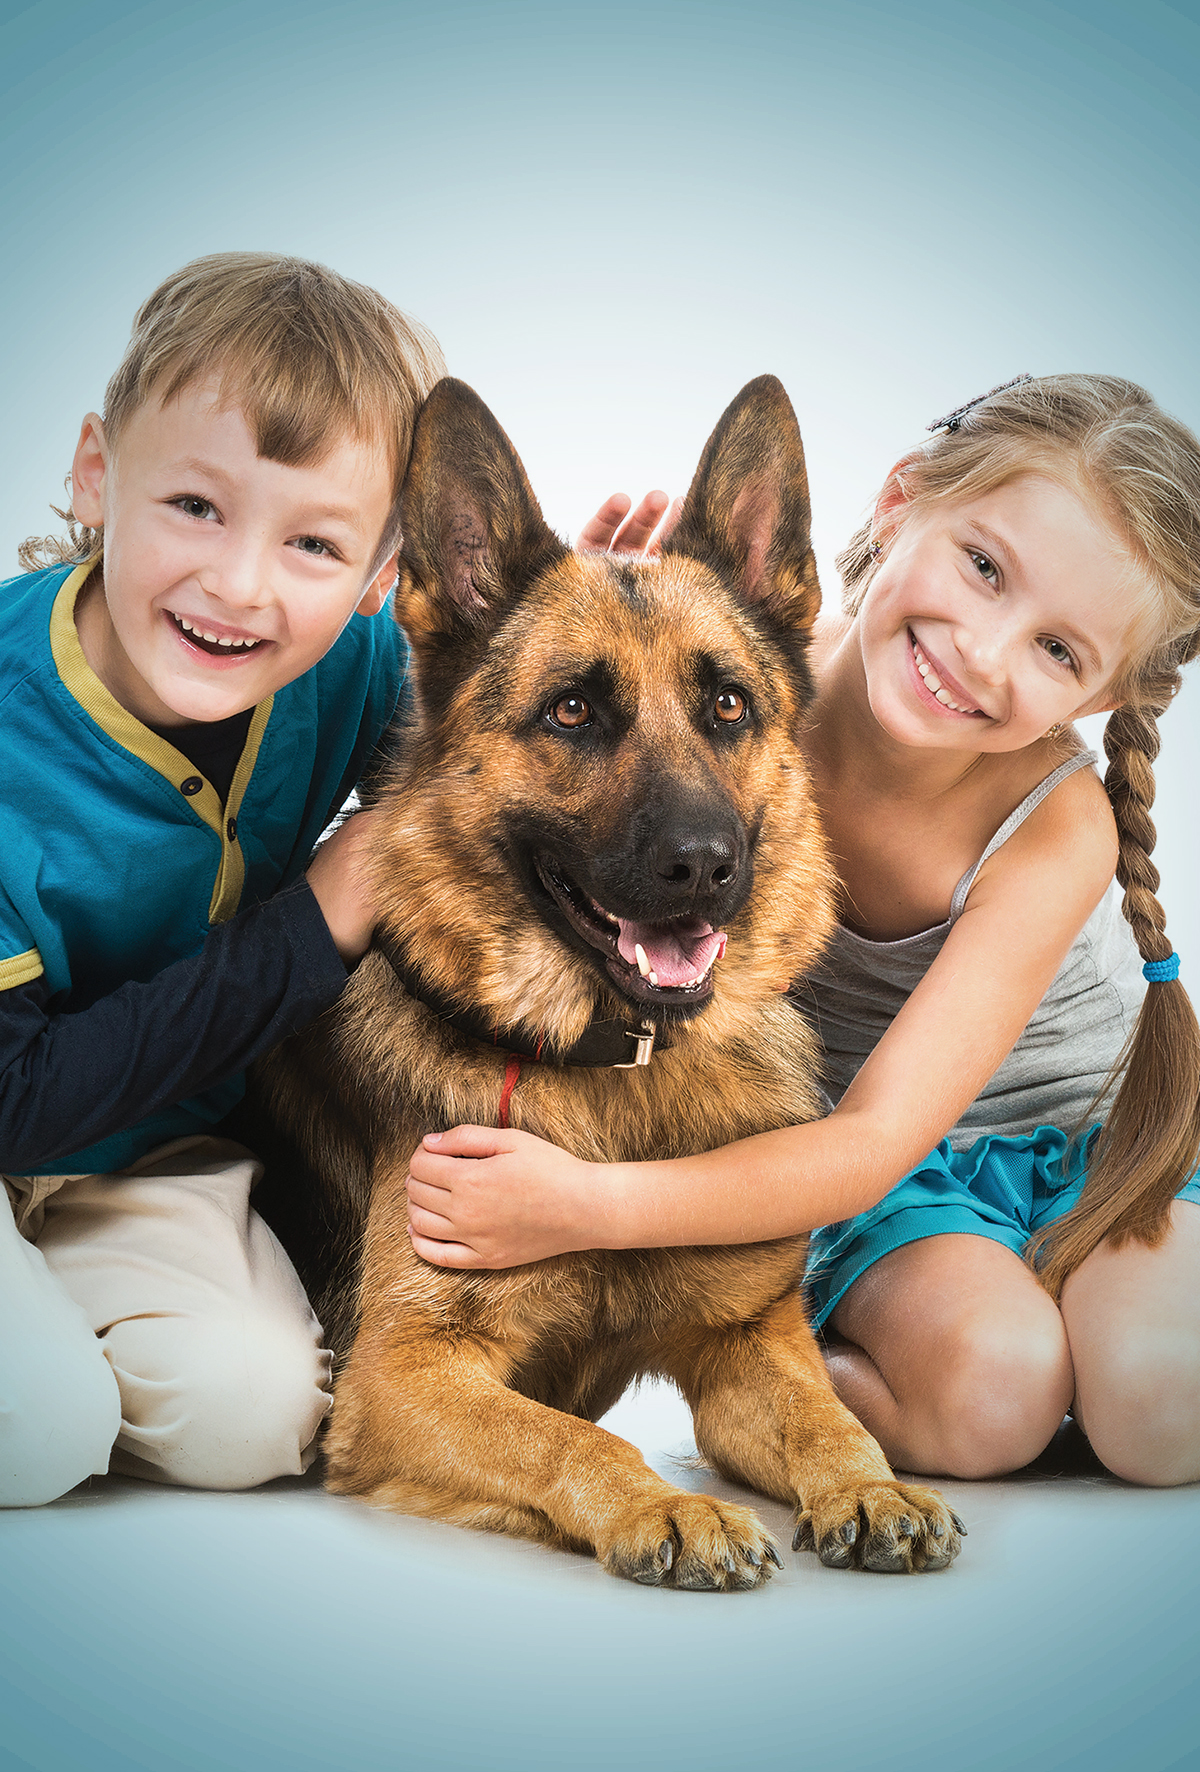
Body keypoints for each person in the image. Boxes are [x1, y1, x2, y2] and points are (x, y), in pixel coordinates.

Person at [403, 374, 1200, 1490]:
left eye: (1059, 651)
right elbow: (521, 707)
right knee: (993, 1400)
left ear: (1107, 693)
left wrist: (587, 1206)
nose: (981, 650)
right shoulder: (736, 678)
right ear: (900, 498)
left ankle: (1060, 1341)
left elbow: (867, 1131)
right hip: (896, 1186)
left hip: (1099, 1148)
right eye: (983, 566)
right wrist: (559, 615)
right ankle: (811, 1370)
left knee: (1165, 1410)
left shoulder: (1059, 821)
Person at [1, 251, 445, 1506]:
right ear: (99, 472)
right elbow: (19, 1094)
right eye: (196, 506)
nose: (240, 583)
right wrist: (318, 916)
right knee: (36, 1431)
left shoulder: (349, 667)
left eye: (313, 541)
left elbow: (496, 751)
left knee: (254, 1418)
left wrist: (567, 605)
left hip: (138, 1149)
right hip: (15, 1098)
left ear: (382, 575)